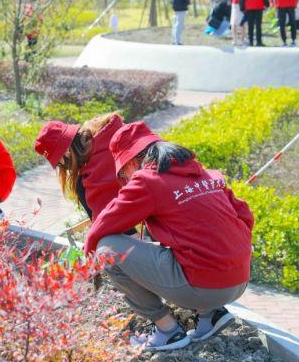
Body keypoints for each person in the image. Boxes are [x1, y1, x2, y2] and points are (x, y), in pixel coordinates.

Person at [84, 122, 253, 351]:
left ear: (131, 162)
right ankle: (210, 316)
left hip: (202, 289)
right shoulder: (206, 174)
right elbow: (245, 217)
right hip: (239, 282)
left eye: (123, 175)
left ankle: (168, 331)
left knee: (107, 249)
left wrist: (89, 260)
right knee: (188, 240)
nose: (125, 181)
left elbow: (103, 225)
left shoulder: (147, 180)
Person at [34, 113, 126, 224]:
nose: (63, 167)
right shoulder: (112, 130)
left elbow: (111, 227)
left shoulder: (89, 181)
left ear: (67, 152)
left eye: (58, 163)